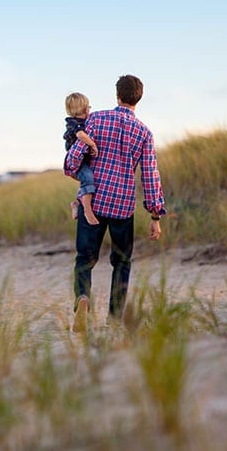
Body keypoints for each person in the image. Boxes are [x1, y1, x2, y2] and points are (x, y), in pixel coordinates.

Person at [64, 75, 166, 332]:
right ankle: (115, 318)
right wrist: (155, 216)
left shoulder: (96, 119)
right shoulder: (144, 132)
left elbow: (73, 159)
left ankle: (83, 299)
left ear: (117, 95)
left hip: (94, 202)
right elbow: (150, 176)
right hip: (123, 207)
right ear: (138, 98)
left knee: (84, 259)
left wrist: (75, 168)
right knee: (121, 262)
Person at [63, 92, 99, 226]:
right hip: (77, 162)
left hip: (84, 160)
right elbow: (81, 135)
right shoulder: (74, 123)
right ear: (85, 109)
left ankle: (77, 203)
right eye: (89, 107)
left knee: (89, 181)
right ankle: (87, 211)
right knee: (88, 178)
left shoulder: (85, 122)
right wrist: (92, 144)